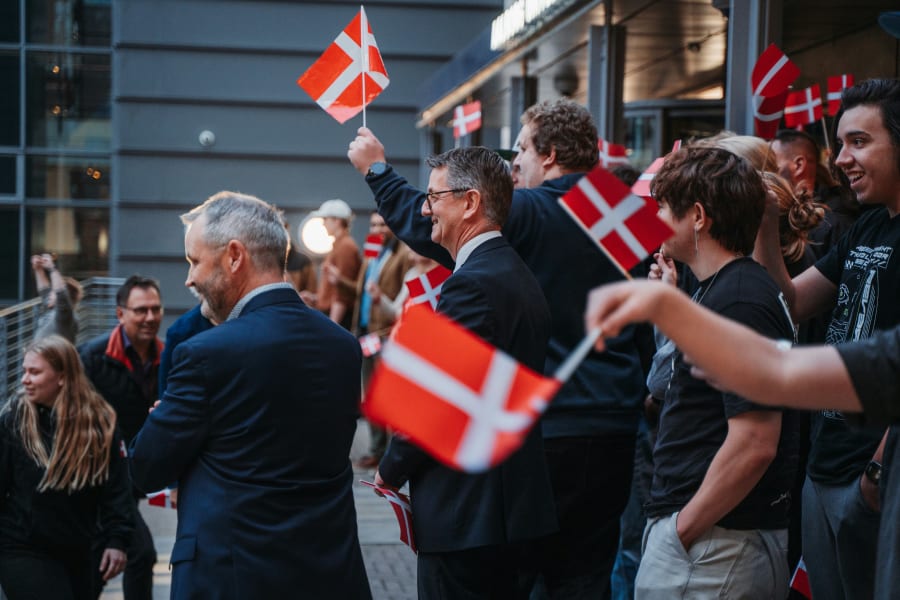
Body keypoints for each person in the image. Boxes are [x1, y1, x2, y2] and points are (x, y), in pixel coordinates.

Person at [350, 98, 645, 598]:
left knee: (529, 579)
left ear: (549, 154)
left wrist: (377, 170)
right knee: (588, 576)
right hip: (615, 426)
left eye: (524, 150)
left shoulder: (530, 209)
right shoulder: (627, 217)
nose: (516, 166)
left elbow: (429, 227)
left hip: (549, 429)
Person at [129, 191, 371, 599]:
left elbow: (147, 467)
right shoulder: (342, 347)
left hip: (232, 578)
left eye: (194, 261)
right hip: (328, 575)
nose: (189, 278)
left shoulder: (205, 354)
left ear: (234, 257)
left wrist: (165, 419)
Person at [367, 146, 557, 597]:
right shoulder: (512, 273)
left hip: (471, 517)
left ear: (470, 202)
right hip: (504, 513)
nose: (425, 208)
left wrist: (389, 470)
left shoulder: (473, 283)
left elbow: (437, 398)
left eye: (434, 197)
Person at [624, 146, 797, 598]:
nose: (654, 217)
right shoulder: (724, 288)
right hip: (711, 543)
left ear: (698, 216)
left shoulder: (739, 298)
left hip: (715, 548)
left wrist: (683, 531)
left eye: (662, 207)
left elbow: (756, 442)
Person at [752, 77, 900, 600]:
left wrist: (878, 473)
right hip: (824, 468)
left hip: (871, 479)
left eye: (859, 141)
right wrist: (767, 227)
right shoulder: (867, 227)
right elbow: (789, 303)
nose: (840, 159)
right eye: (840, 143)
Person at [0, 335, 133, 600]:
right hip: (22, 546)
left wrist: (117, 541)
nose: (25, 379)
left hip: (79, 548)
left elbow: (116, 489)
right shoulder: (14, 421)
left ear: (62, 376)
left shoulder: (100, 425)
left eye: (34, 372)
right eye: (25, 371)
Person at [79, 275, 163, 600]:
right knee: (137, 552)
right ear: (120, 314)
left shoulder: (166, 355)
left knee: (110, 552)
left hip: (137, 474)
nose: (150, 317)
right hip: (101, 475)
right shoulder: (91, 358)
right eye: (140, 310)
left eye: (155, 309)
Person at [349, 212, 410, 470]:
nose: (378, 229)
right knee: (371, 393)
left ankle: (394, 451)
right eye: (374, 224)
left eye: (383, 224)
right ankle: (376, 448)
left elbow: (407, 294)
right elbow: (360, 290)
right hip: (365, 331)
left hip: (387, 333)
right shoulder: (371, 253)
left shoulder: (403, 255)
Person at [771, 129, 860, 259]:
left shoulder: (833, 222)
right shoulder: (781, 214)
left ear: (798, 165)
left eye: (772, 163)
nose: (767, 172)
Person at [307, 198, 361, 329]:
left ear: (337, 221)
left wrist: (332, 326)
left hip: (337, 318)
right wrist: (318, 298)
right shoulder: (339, 246)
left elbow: (342, 294)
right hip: (332, 315)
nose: (323, 224)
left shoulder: (345, 247)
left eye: (325, 219)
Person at [30, 253, 82, 343]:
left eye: (52, 292)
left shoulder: (65, 315)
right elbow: (44, 291)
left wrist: (52, 268)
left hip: (54, 357)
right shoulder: (53, 310)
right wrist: (38, 270)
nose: (50, 294)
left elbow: (60, 293)